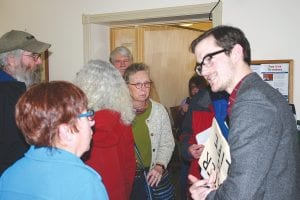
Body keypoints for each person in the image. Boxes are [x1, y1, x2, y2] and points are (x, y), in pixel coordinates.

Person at [188, 25, 300, 200]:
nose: (204, 71)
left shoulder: (253, 102)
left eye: (209, 59)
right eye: (200, 65)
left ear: (236, 53)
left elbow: (240, 194)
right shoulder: (256, 93)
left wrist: (207, 197)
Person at [0, 81, 108, 199]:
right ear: (65, 131)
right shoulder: (84, 183)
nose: (92, 122)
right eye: (87, 115)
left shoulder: (10, 175)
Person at [73, 60, 136, 200]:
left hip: (85, 193)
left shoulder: (75, 124)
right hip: (116, 193)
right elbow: (129, 167)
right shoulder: (123, 122)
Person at [0, 30, 51, 175]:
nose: (40, 61)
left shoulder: (16, 90)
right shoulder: (10, 96)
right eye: (33, 56)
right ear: (11, 60)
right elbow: (14, 147)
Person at [123, 63, 175, 199]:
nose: (144, 89)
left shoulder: (159, 111)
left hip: (154, 175)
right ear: (126, 87)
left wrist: (159, 166)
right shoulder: (119, 113)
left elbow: (167, 143)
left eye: (147, 83)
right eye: (138, 84)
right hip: (129, 179)